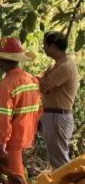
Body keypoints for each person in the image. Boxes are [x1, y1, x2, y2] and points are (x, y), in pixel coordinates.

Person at [0, 37, 42, 184]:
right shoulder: (31, 79)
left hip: (12, 138)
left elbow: (4, 118)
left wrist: (1, 143)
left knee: (16, 178)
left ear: (2, 60)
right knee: (4, 170)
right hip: (26, 133)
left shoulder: (6, 84)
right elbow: (39, 109)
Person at [39, 30, 80, 168]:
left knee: (60, 161)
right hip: (53, 115)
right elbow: (40, 80)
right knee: (56, 159)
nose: (43, 48)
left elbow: (43, 87)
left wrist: (43, 81)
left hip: (57, 117)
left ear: (53, 46)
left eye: (45, 45)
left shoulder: (65, 67)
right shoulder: (55, 65)